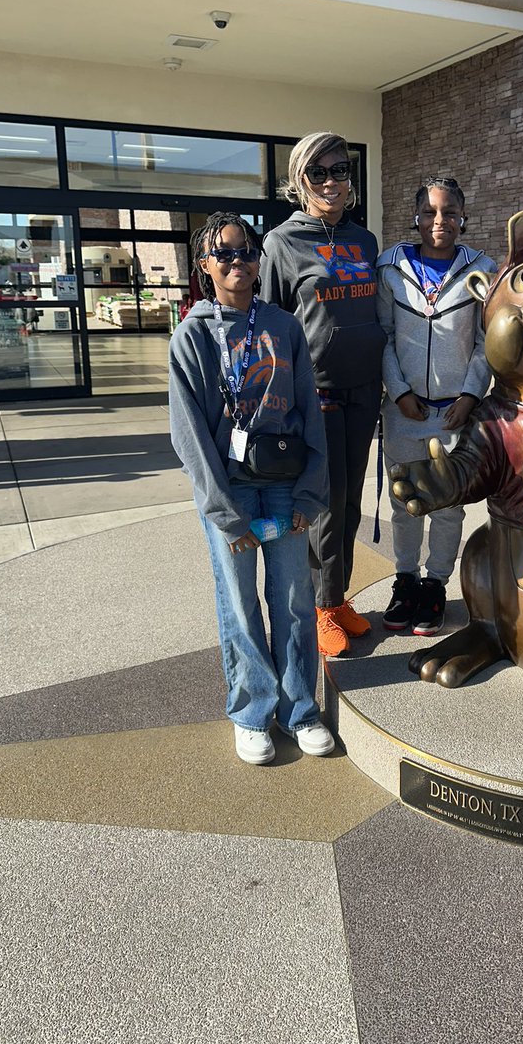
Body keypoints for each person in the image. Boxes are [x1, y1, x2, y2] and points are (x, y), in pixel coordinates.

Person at [169, 211, 334, 764]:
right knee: (239, 606)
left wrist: (312, 493)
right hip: (232, 492)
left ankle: (300, 710)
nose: (239, 261)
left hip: (286, 486)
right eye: (226, 254)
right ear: (205, 268)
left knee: (293, 599)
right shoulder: (192, 335)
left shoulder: (284, 327)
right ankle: (252, 712)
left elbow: (311, 410)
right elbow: (188, 434)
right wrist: (224, 515)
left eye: (248, 251)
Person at [261, 132, 385, 658]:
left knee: (350, 503)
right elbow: (268, 325)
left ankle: (336, 599)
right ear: (300, 181)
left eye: (341, 171)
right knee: (324, 506)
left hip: (364, 391)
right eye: (320, 173)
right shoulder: (281, 243)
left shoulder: (364, 240)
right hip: (319, 396)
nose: (333, 181)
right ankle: (318, 605)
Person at [376, 177, 497, 634]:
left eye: (448, 212)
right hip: (405, 409)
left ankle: (435, 585)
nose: (439, 221)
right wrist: (399, 390)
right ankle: (404, 579)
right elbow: (383, 335)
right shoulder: (389, 268)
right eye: (429, 212)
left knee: (447, 505)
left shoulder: (481, 272)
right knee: (404, 500)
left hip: (454, 412)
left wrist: (471, 394)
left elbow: (487, 341)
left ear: (463, 216)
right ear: (416, 216)